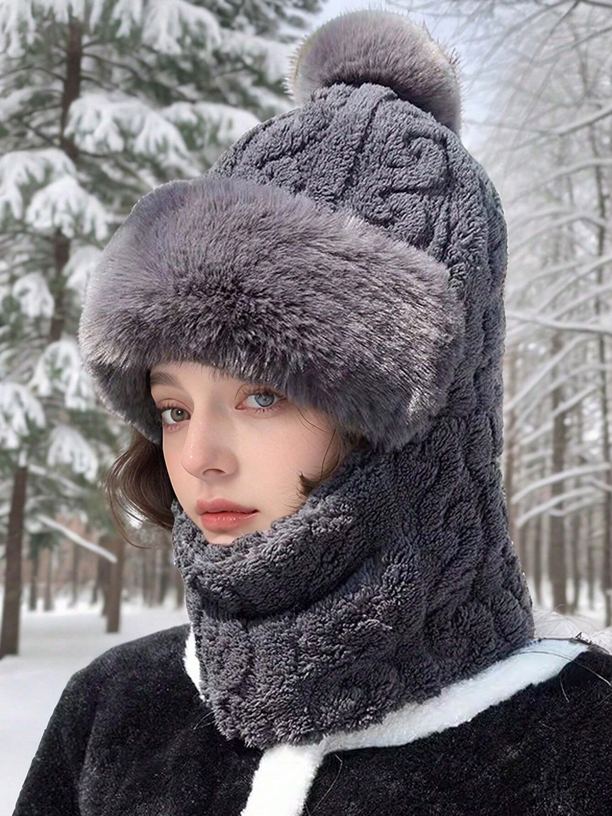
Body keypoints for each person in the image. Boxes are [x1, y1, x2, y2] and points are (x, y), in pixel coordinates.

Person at [13, 8, 612, 816]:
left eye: (263, 395)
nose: (198, 459)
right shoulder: (116, 709)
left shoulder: (580, 744)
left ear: (414, 420)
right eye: (175, 408)